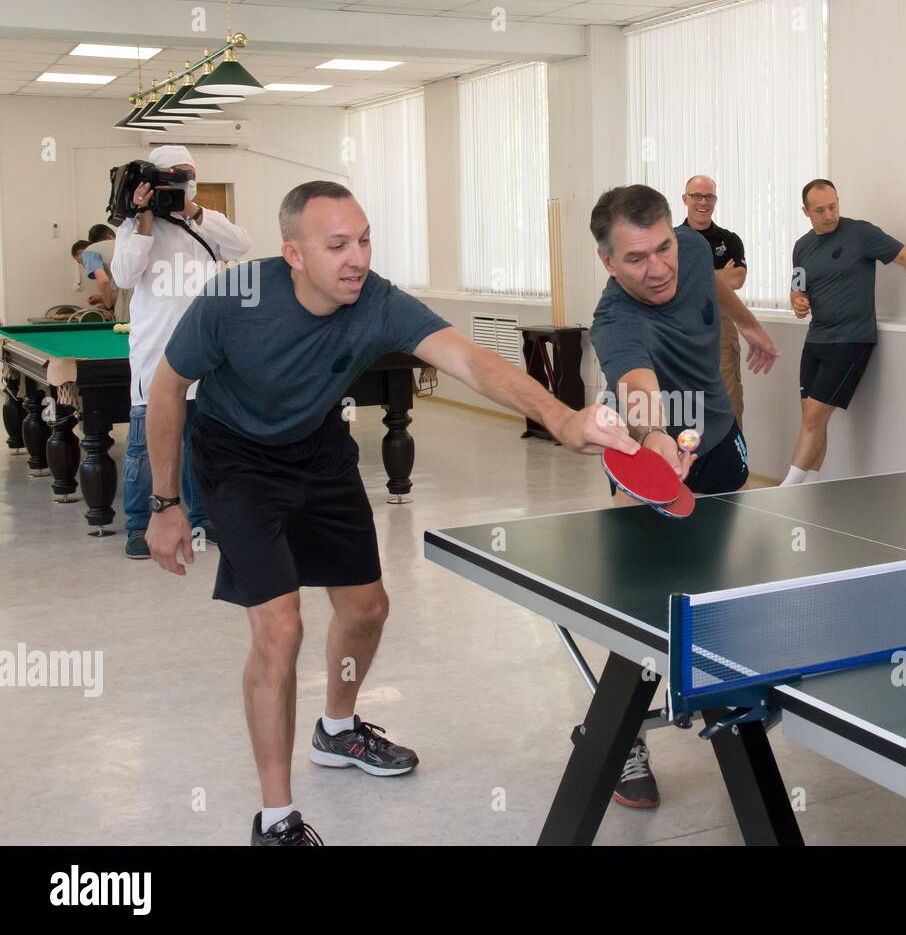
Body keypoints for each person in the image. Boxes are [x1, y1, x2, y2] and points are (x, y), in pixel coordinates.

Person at [146, 180, 634, 845]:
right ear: (293, 254)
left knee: (367, 608)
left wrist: (561, 415)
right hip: (237, 460)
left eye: (365, 239)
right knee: (279, 628)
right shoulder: (236, 300)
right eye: (337, 244)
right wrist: (166, 503)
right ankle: (276, 818)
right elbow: (168, 385)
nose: (357, 257)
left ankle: (338, 731)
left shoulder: (375, 301)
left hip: (317, 450)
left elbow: (469, 359)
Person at [587, 183, 777, 808]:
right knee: (640, 599)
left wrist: (749, 326)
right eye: (636, 259)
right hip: (650, 453)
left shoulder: (692, 248)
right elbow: (636, 383)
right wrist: (654, 436)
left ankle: (717, 691)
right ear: (608, 263)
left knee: (720, 577)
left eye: (663, 248)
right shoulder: (615, 321)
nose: (659, 267)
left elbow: (712, 283)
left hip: (719, 437)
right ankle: (616, 737)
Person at [111, 145, 248, 559]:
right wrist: (145, 221)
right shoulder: (133, 226)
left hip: (203, 355)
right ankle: (138, 523)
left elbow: (242, 244)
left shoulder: (206, 222)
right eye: (170, 176)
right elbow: (123, 275)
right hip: (155, 353)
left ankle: (204, 519)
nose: (177, 183)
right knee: (142, 447)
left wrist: (193, 212)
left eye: (185, 175)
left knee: (202, 444)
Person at [785, 179, 906, 485]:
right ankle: (811, 486)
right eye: (820, 210)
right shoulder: (802, 247)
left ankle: (785, 490)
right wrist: (798, 302)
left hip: (851, 340)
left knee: (814, 418)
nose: (829, 214)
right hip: (816, 339)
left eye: (833, 206)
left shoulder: (861, 233)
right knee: (812, 419)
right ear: (805, 211)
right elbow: (797, 288)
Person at [679, 175, 765, 428]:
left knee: (729, 401)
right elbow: (672, 285)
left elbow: (737, 279)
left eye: (709, 197)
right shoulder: (671, 240)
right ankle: (686, 465)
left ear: (715, 200)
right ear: (685, 199)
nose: (703, 202)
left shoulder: (729, 240)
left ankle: (733, 464)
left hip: (720, 328)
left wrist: (693, 277)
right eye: (697, 196)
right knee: (685, 404)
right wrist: (718, 276)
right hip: (680, 330)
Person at [85, 224, 130, 321]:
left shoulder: (90, 250)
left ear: (108, 238)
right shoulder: (129, 244)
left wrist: (108, 305)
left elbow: (103, 280)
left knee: (124, 330)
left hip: (126, 299)